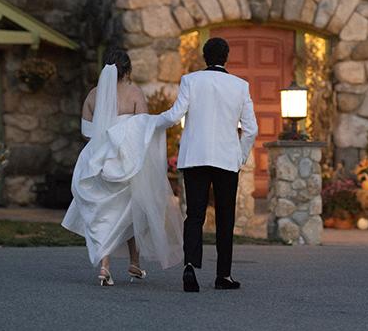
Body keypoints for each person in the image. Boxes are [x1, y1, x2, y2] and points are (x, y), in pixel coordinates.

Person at [62, 47, 184, 286]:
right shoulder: (134, 93)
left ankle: (105, 266)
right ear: (127, 70)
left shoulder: (93, 95)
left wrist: (106, 140)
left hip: (98, 162)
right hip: (126, 162)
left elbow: (87, 133)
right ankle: (134, 262)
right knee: (131, 213)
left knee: (104, 215)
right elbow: (143, 130)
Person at [157, 37, 258, 292]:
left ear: (205, 57)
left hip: (195, 158)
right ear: (226, 57)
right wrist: (240, 156)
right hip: (226, 160)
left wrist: (148, 123)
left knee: (195, 215)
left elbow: (174, 115)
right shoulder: (240, 86)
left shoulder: (191, 81)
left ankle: (190, 265)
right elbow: (251, 129)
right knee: (225, 217)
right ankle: (223, 275)